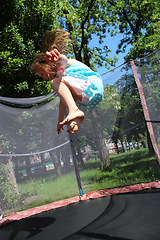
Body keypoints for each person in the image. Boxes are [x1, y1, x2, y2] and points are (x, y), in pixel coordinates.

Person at [30, 29, 103, 134]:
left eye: (42, 74)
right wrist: (60, 120)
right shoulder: (62, 83)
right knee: (66, 98)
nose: (43, 78)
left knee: (54, 83)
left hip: (90, 85)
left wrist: (58, 58)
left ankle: (75, 111)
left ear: (47, 65)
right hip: (88, 96)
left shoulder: (61, 66)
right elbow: (63, 102)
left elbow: (63, 60)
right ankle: (76, 120)